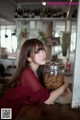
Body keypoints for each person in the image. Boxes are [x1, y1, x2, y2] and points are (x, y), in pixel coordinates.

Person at [0, 38, 71, 119]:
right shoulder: (27, 73)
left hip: (22, 109)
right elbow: (47, 100)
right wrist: (65, 85)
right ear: (28, 58)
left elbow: (44, 93)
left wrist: (59, 90)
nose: (42, 54)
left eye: (42, 50)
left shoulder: (39, 70)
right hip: (7, 110)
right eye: (37, 52)